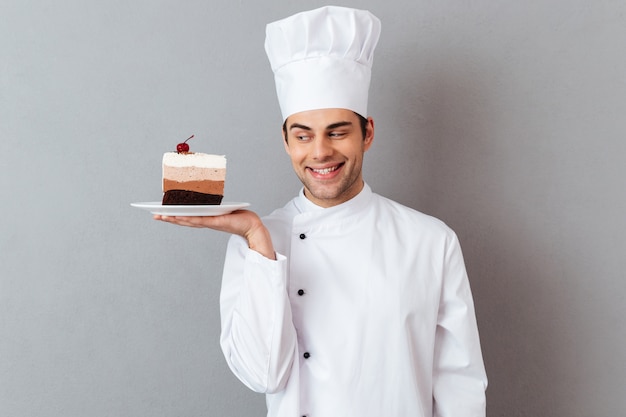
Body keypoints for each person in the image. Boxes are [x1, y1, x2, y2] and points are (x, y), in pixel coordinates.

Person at [156, 5, 487, 417]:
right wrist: (259, 241)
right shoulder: (257, 243)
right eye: (303, 135)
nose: (320, 152)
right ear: (286, 141)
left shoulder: (431, 241)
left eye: (337, 131)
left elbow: (460, 387)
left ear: (367, 133)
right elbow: (263, 375)